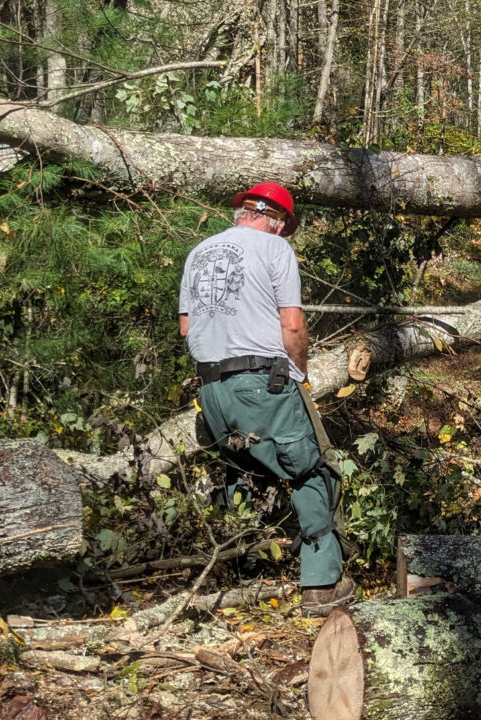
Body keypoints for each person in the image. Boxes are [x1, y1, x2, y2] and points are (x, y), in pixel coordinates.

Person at [178, 183, 354, 618]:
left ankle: (244, 571)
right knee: (310, 469)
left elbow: (186, 328)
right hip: (262, 380)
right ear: (277, 222)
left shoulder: (199, 252)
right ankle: (322, 583)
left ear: (242, 211)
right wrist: (299, 373)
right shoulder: (275, 250)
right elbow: (292, 325)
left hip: (211, 388)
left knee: (245, 470)